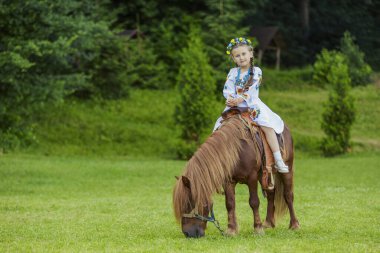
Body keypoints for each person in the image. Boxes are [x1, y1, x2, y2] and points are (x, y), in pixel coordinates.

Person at [213, 37, 289, 173]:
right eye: (237, 56)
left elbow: (252, 87)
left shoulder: (256, 71)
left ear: (251, 54)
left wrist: (240, 98)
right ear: (233, 59)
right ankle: (216, 159)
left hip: (252, 105)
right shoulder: (232, 73)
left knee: (267, 126)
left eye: (243, 54)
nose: (241, 58)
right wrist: (230, 99)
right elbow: (228, 88)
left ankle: (278, 159)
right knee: (218, 127)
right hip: (234, 107)